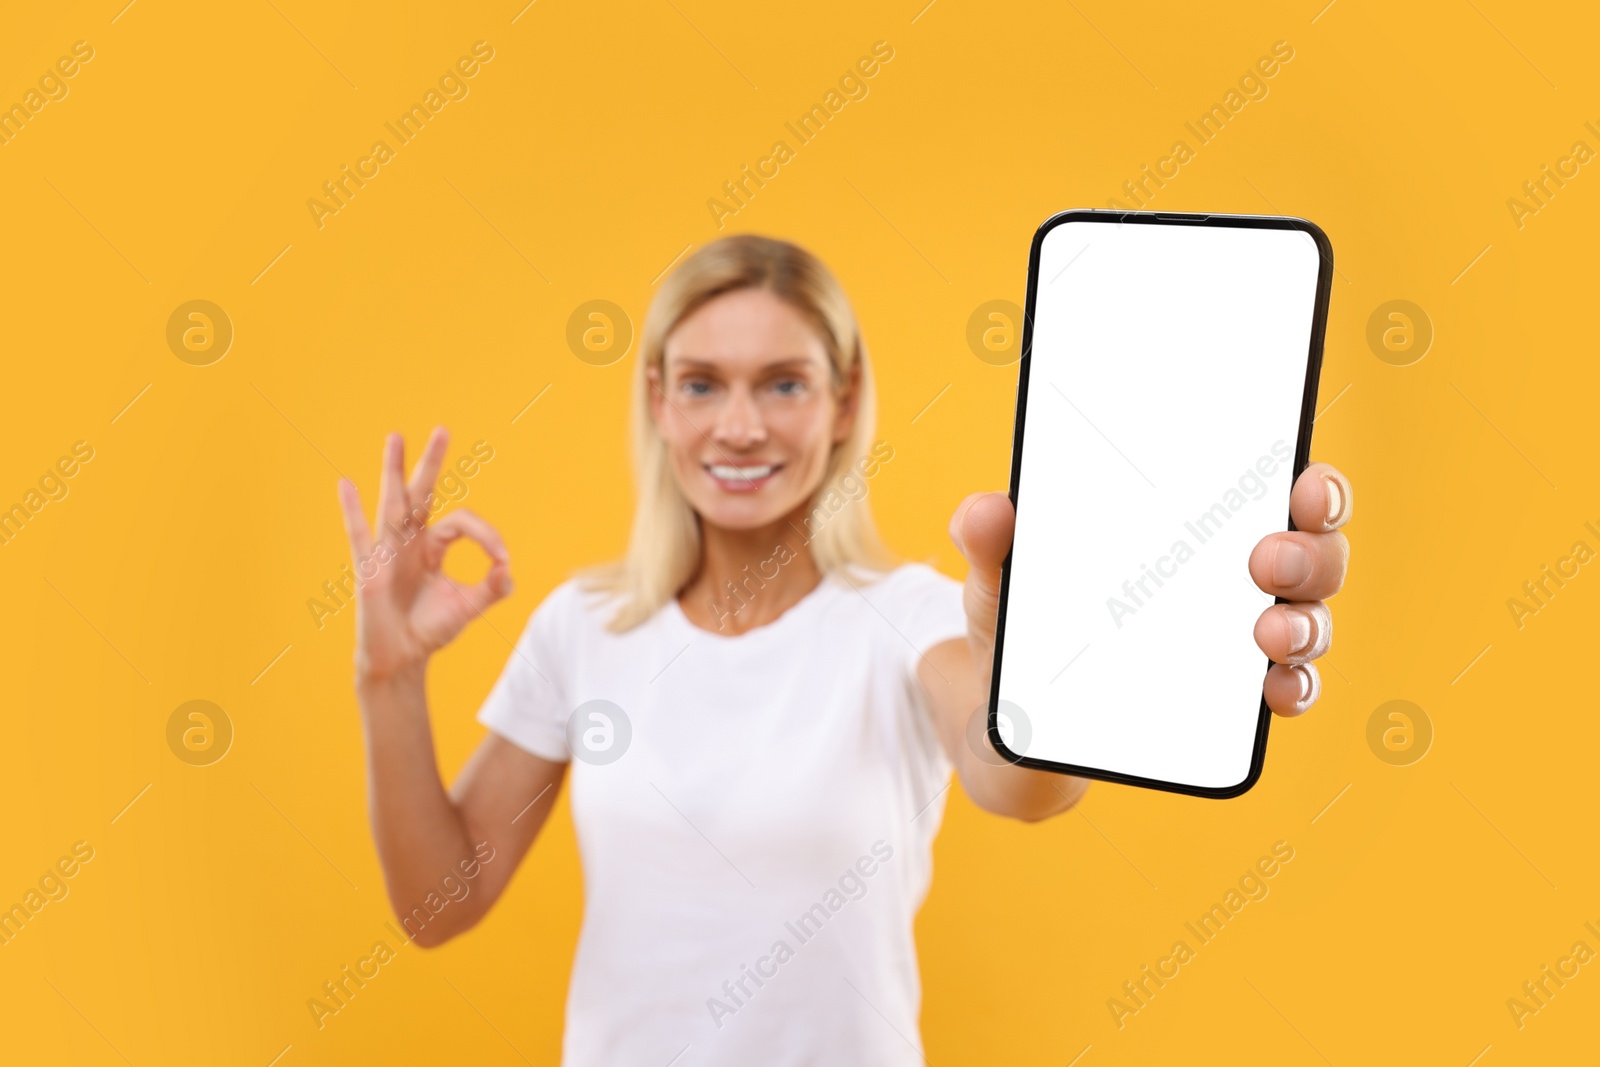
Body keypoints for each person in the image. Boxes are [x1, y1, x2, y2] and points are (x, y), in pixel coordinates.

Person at [335, 234, 1350, 1065]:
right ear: (656, 401)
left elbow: (1017, 781)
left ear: (845, 401)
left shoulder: (906, 616)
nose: (738, 426)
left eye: (783, 383)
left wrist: (1039, 675)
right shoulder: (583, 624)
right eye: (701, 385)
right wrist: (390, 675)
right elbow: (444, 899)